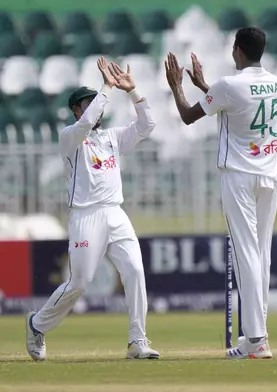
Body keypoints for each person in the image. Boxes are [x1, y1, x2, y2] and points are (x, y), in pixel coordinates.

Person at [25, 57, 159, 361]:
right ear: (76, 109)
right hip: (86, 215)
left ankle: (137, 341)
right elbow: (87, 123)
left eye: (94, 102)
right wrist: (107, 87)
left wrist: (133, 91)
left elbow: (147, 125)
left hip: (115, 213)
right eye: (87, 103)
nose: (94, 108)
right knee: (79, 283)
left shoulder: (111, 138)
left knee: (136, 271)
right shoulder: (71, 137)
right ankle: (36, 324)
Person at [165, 27, 277, 359]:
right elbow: (237, 104)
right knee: (262, 255)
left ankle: (256, 339)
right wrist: (206, 86)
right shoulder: (275, 83)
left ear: (238, 51)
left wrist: (176, 86)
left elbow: (189, 117)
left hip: (240, 177)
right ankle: (255, 336)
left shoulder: (230, 85)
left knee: (247, 254)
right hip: (269, 176)